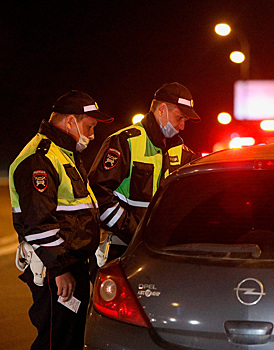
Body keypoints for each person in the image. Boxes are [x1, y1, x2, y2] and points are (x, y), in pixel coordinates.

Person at [9, 90, 114, 350]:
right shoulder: (40, 158)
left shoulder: (63, 153)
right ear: (70, 122)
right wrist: (60, 270)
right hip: (56, 269)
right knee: (56, 340)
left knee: (71, 337)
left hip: (71, 264)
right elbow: (37, 222)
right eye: (89, 127)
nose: (92, 135)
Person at [88, 82, 200, 264]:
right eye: (180, 118)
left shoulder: (184, 153)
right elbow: (98, 193)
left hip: (162, 251)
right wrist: (134, 231)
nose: (182, 126)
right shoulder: (124, 141)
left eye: (185, 121)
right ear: (162, 109)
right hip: (121, 248)